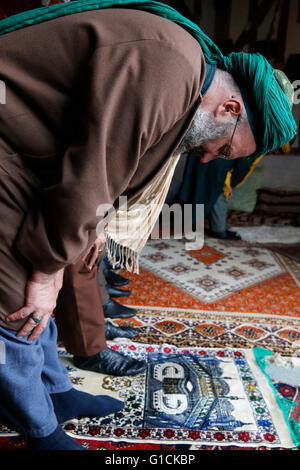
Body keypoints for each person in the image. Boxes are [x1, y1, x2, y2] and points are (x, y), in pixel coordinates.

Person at [0, 0, 296, 451]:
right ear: (230, 107)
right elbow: (93, 169)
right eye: (225, 148)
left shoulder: (185, 77)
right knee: (16, 297)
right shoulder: (168, 67)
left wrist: (91, 227)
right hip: (8, 144)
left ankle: (55, 395)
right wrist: (45, 272)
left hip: (25, 151)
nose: (210, 157)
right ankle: (39, 431)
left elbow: (114, 162)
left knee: (47, 272)